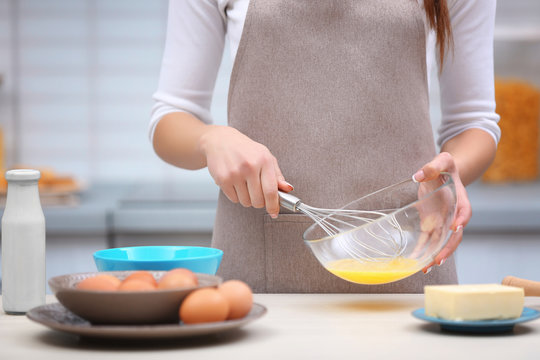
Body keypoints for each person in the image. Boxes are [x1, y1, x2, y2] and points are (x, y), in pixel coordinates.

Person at [149, 0, 500, 293]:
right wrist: (211, 139)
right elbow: (170, 118)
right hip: (260, 281)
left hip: (409, 260)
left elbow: (474, 124)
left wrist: (451, 172)